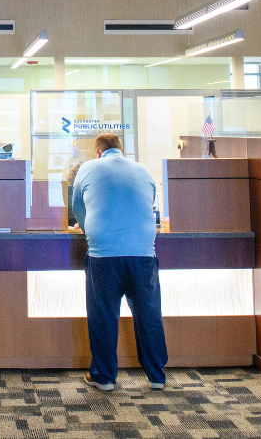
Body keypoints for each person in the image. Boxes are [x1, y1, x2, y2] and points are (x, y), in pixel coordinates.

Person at [70, 133, 166, 391]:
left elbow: (77, 206)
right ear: (121, 150)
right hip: (144, 253)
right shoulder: (143, 170)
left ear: (98, 152)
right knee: (148, 314)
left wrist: (86, 228)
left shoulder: (88, 168)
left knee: (104, 315)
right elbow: (150, 203)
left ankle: (104, 377)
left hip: (104, 254)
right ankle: (157, 375)